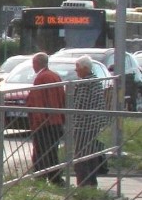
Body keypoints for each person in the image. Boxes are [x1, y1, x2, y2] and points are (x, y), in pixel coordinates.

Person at [25, 52, 65, 185]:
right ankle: (55, 178)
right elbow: (61, 99)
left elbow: (38, 102)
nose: (32, 66)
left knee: (41, 152)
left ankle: (42, 178)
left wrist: (36, 123)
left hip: (45, 123)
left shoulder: (41, 78)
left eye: (33, 63)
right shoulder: (55, 76)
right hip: (56, 121)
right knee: (52, 151)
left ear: (37, 63)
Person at [72, 55, 106, 187]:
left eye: (77, 68)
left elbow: (80, 104)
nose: (76, 71)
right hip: (94, 124)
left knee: (81, 155)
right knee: (90, 154)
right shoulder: (95, 81)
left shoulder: (85, 83)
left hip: (84, 125)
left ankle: (84, 184)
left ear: (85, 68)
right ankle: (91, 183)